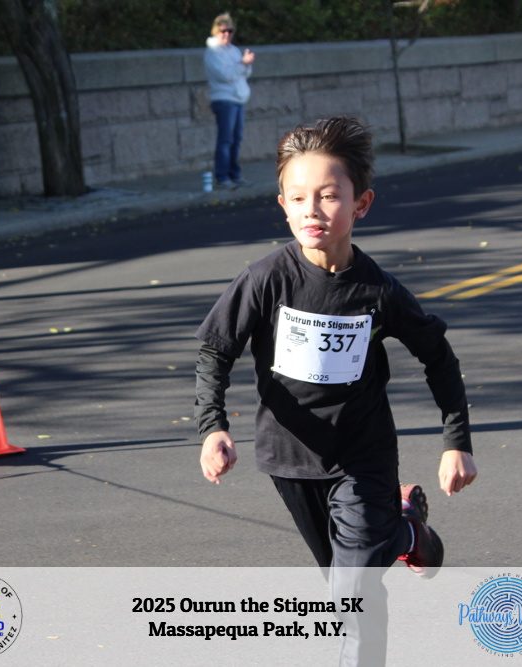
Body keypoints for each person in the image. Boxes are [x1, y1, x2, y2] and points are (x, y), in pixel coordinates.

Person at [194, 116, 477, 665]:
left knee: (353, 594)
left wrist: (456, 442)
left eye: (328, 196)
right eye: (299, 198)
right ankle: (405, 534)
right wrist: (213, 429)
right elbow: (215, 351)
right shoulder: (266, 280)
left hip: (363, 456)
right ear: (283, 205)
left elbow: (438, 358)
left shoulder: (378, 291)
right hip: (290, 458)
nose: (312, 210)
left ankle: (391, 537)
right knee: (343, 587)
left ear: (361, 204)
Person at [204, 13, 254, 189]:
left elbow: (244, 73)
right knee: (225, 139)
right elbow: (224, 75)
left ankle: (234, 174)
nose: (227, 34)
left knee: (236, 138)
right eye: (223, 31)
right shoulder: (212, 51)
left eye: (230, 31)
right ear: (216, 31)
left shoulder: (234, 50)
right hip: (224, 99)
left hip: (238, 98)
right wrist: (242, 64)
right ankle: (222, 176)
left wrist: (246, 64)